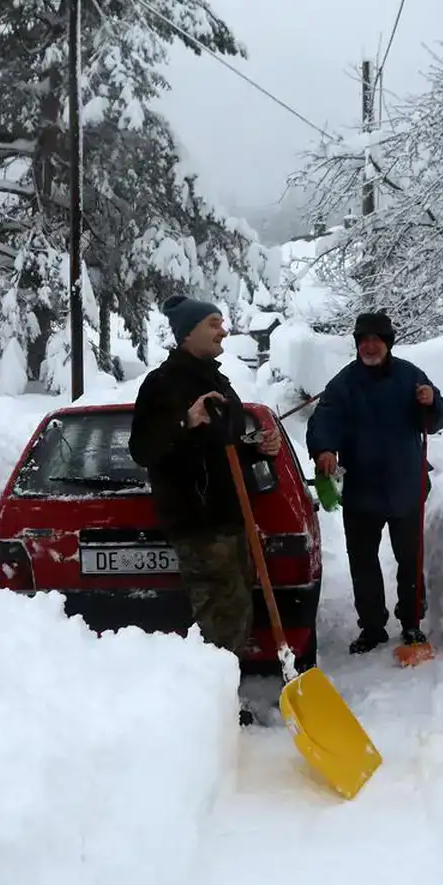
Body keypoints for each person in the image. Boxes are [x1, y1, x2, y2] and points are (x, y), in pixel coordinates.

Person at [129, 295, 283, 723]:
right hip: (199, 521)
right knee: (219, 616)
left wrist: (256, 448)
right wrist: (186, 422)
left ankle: (224, 700)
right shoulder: (164, 384)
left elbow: (222, 449)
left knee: (236, 612)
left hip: (231, 515)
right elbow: (142, 448)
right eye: (215, 323)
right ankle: (213, 714)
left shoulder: (216, 379)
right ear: (188, 332)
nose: (224, 330)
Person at [305, 311, 443, 659]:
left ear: (388, 342)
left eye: (376, 339)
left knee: (410, 558)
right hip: (361, 488)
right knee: (363, 562)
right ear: (357, 344)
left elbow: (436, 419)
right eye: (363, 340)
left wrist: (432, 403)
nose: (369, 346)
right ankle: (372, 626)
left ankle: (412, 622)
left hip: (406, 485)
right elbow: (324, 419)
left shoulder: (409, 376)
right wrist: (324, 448)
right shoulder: (343, 384)